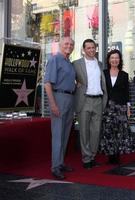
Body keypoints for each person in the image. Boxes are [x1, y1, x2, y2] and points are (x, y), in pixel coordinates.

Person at [44, 37, 75, 180]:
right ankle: (55, 167)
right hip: (58, 98)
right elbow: (47, 84)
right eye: (66, 44)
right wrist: (53, 104)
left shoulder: (68, 62)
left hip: (69, 98)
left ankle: (60, 162)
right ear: (60, 46)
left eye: (71, 44)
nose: (69, 46)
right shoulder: (54, 59)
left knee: (65, 133)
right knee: (57, 134)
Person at [73, 39, 107, 169]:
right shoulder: (76, 64)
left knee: (96, 131)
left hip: (98, 100)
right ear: (84, 50)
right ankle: (86, 159)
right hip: (84, 100)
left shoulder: (100, 64)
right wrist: (75, 85)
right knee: (84, 131)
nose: (91, 50)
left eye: (93, 47)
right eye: (88, 48)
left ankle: (92, 156)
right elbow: (69, 77)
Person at [100, 49, 135, 164]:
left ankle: (117, 154)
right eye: (112, 58)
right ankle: (110, 155)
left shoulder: (124, 75)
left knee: (120, 131)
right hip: (107, 107)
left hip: (120, 107)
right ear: (109, 60)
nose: (114, 60)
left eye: (117, 58)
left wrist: (128, 108)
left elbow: (127, 93)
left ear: (120, 60)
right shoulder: (103, 73)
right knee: (108, 131)